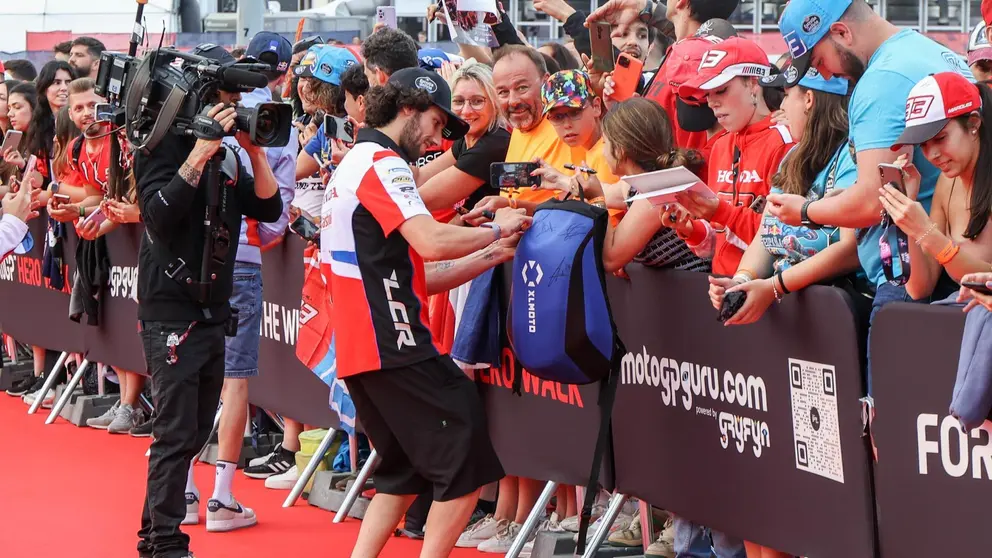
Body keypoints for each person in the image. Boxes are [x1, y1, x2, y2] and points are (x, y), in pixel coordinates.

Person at [324, 67, 525, 558]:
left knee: (403, 471)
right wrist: (497, 230)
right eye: (438, 122)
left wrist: (489, 254)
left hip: (361, 345)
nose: (439, 139)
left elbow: (415, 274)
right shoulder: (382, 162)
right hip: (390, 341)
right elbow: (432, 243)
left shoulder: (354, 162)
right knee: (468, 463)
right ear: (410, 108)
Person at [762, 0, 974, 396]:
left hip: (917, 274)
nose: (823, 73)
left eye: (819, 59)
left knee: (892, 436)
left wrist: (807, 210)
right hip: (941, 264)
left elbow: (873, 202)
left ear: (841, 33)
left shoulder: (881, 79)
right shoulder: (927, 49)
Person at [133, 87, 283, 558]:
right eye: (223, 99)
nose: (231, 108)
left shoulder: (231, 157)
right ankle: (166, 542)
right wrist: (200, 149)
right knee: (176, 432)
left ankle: (152, 532)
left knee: (196, 431)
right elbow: (159, 215)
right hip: (170, 308)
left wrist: (256, 152)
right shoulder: (158, 148)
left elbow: (270, 209)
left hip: (213, 309)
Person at [198, 37, 297, 511]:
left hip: (197, 259)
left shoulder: (195, 114)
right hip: (239, 262)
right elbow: (278, 212)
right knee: (233, 378)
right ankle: (221, 497)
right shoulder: (277, 122)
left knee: (189, 376)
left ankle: (186, 491)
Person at [708, 69, 860, 337]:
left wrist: (775, 287)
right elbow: (765, 236)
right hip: (789, 313)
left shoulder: (852, 156)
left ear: (809, 99)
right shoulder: (792, 156)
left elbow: (851, 250)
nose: (782, 106)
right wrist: (741, 280)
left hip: (835, 317)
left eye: (788, 96)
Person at [674, 37, 793, 277]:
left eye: (721, 90)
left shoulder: (786, 142)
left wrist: (721, 212)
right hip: (723, 288)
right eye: (707, 94)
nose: (712, 102)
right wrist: (690, 228)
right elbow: (719, 241)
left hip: (767, 293)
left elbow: (782, 239)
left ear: (753, 84)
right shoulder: (720, 145)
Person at [878, 73, 992, 305]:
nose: (932, 155)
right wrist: (905, 219)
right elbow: (920, 286)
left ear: (973, 124)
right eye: (923, 145)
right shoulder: (946, 182)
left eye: (940, 138)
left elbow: (985, 280)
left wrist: (926, 232)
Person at [585, 0, 740, 153]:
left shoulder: (691, 60)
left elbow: (650, 153)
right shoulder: (701, 54)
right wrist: (623, 112)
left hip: (680, 175)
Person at [417, 61, 508, 214]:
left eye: (477, 101)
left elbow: (424, 199)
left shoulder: (493, 145)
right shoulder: (468, 137)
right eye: (458, 101)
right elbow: (420, 176)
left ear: (495, 103)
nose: (466, 111)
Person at [25, 61, 76, 187]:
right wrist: (22, 165)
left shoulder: (81, 124)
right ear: (44, 89)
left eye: (68, 82)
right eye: (57, 82)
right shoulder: (39, 126)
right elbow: (43, 181)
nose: (64, 88)